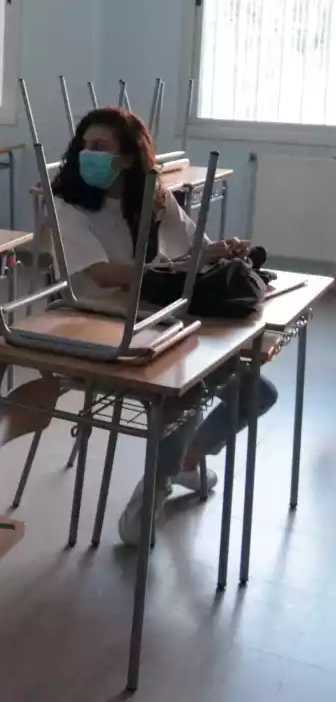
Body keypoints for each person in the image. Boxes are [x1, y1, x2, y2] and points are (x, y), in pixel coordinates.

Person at [50, 106, 277, 547]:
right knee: (186, 393)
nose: (87, 155)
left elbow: (195, 249)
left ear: (129, 159)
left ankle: (189, 459)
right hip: (94, 324)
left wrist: (222, 253)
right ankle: (153, 492)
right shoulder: (69, 205)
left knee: (257, 392)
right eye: (84, 146)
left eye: (100, 148)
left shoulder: (151, 200)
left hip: (156, 315)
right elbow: (102, 274)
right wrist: (169, 272)